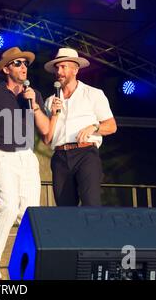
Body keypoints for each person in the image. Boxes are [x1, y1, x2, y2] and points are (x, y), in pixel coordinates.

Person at [0, 47, 49, 280]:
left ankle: (27, 264)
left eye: (25, 63)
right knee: (7, 206)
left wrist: (34, 104)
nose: (23, 67)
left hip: (26, 156)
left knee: (29, 214)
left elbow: (46, 129)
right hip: (2, 154)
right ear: (6, 69)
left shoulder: (32, 93)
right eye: (17, 63)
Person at [42, 47, 117, 207]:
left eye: (63, 67)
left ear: (75, 69)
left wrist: (94, 128)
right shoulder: (50, 101)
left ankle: (94, 232)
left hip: (86, 153)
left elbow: (111, 126)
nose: (59, 72)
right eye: (57, 68)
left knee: (91, 203)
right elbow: (47, 139)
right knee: (65, 209)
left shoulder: (93, 94)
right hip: (60, 156)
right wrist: (54, 115)